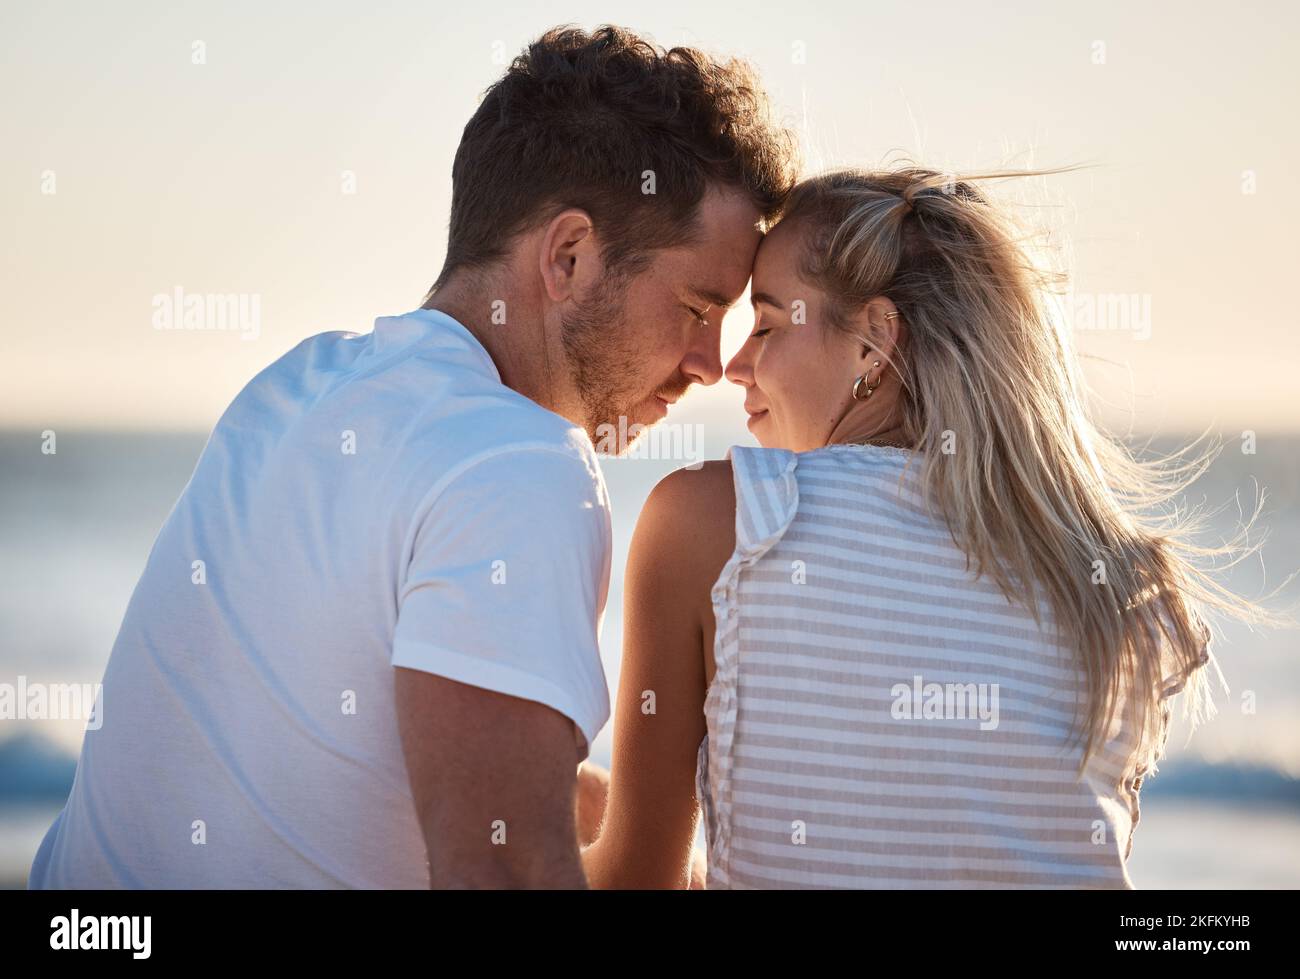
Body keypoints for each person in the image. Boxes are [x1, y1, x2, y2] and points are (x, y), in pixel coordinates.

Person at [28, 25, 798, 889]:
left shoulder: (293, 389)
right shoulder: (519, 465)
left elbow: (396, 744)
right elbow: (498, 869)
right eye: (699, 306)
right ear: (570, 255)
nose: (710, 366)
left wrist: (653, 837)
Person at [582, 167, 1272, 889]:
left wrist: (563, 820)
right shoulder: (1115, 581)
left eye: (767, 323)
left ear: (873, 344)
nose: (735, 366)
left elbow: (635, 880)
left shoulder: (722, 524)